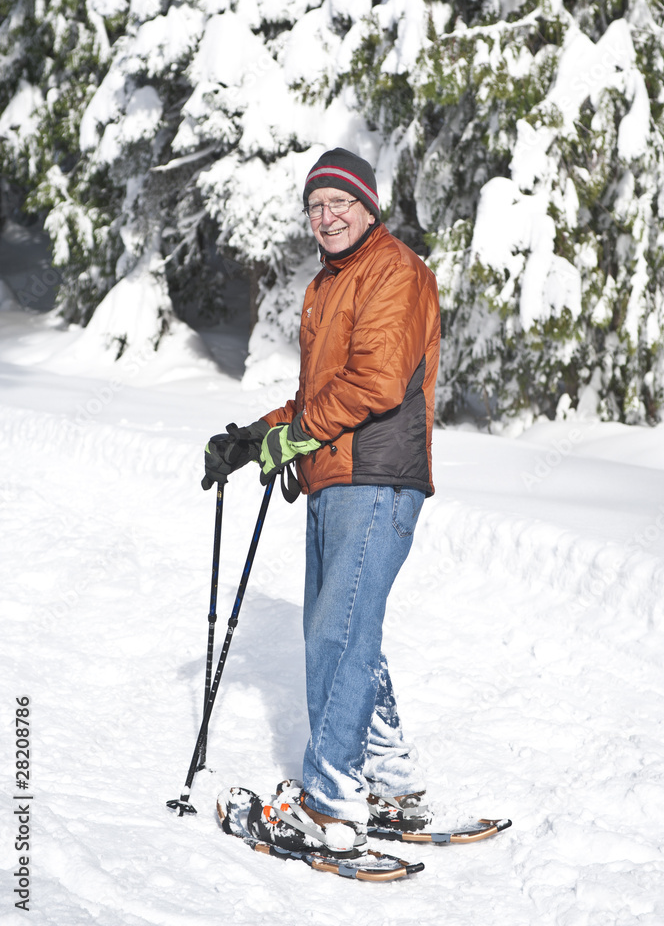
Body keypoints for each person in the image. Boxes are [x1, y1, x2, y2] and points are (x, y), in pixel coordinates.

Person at [203, 147, 441, 859]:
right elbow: (318, 398)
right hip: (336, 479)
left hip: (376, 479)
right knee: (347, 633)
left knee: (337, 638)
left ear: (369, 208)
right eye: (315, 206)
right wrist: (255, 438)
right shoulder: (329, 283)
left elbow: (375, 384)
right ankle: (391, 785)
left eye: (340, 203)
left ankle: (332, 806)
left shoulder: (394, 272)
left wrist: (295, 436)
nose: (326, 216)